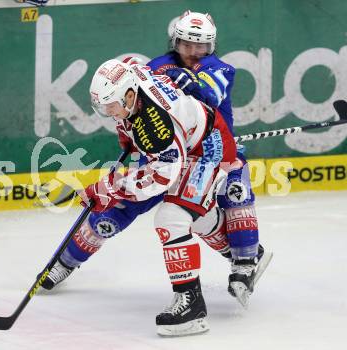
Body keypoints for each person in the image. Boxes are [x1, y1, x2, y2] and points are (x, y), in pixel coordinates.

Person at [75, 58, 237, 335]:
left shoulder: (155, 124)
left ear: (129, 95)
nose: (108, 112)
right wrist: (129, 135)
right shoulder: (131, 79)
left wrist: (107, 190)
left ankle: (192, 306)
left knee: (171, 218)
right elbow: (131, 63)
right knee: (192, 215)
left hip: (208, 150)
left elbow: (162, 177)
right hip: (188, 139)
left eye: (111, 106)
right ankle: (241, 250)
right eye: (102, 107)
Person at [146, 10, 270, 308]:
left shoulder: (221, 68)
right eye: (187, 44)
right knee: (195, 216)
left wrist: (189, 83)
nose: (193, 51)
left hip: (220, 148)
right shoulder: (157, 66)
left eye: (200, 46)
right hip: (183, 157)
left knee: (236, 191)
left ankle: (244, 263)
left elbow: (211, 94)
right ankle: (240, 251)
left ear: (211, 46)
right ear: (175, 41)